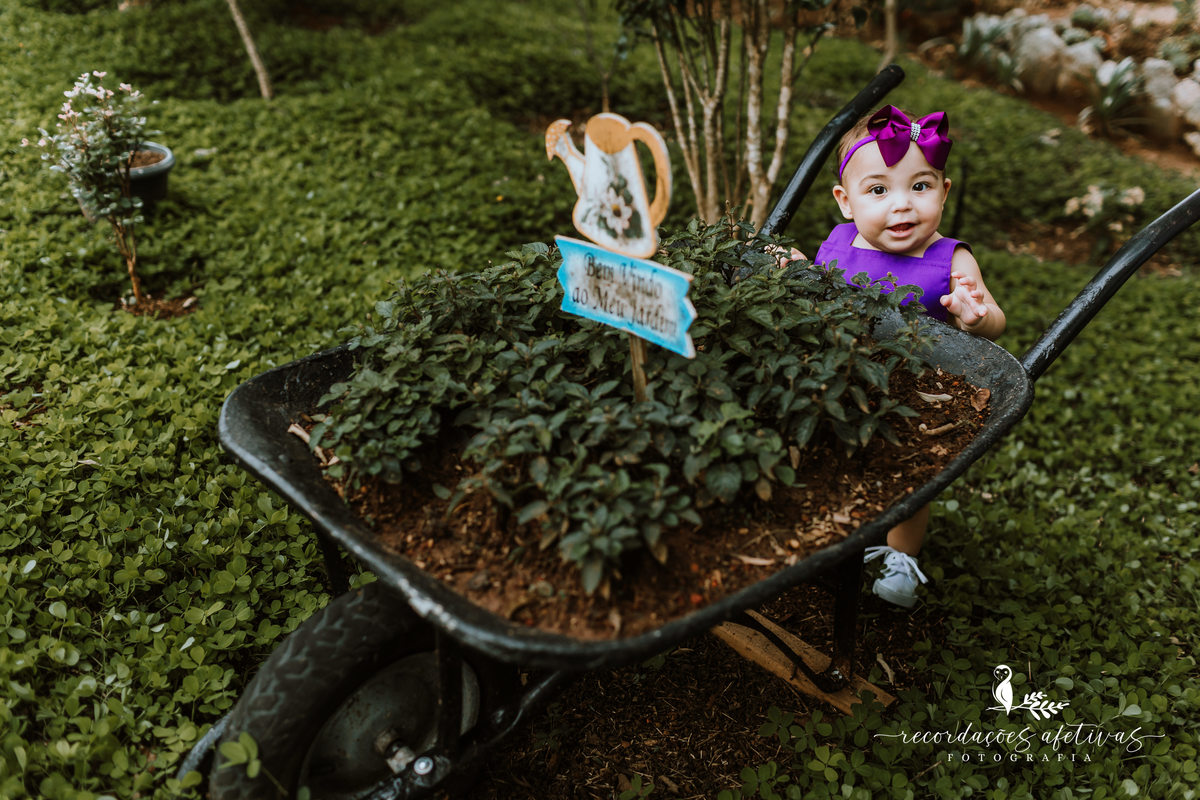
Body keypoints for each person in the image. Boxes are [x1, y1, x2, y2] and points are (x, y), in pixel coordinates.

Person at [814, 104, 1006, 608]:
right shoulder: (838, 243)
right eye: (878, 190)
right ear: (846, 202)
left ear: (943, 192)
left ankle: (900, 555)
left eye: (920, 186)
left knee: (909, 474)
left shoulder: (951, 258)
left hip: (918, 392)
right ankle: (843, 529)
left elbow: (996, 319)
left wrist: (974, 316)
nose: (902, 205)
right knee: (841, 458)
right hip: (845, 377)